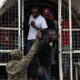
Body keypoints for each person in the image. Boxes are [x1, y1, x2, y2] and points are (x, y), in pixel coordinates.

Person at [27, 7, 48, 80]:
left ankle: (36, 76)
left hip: (36, 39)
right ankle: (31, 75)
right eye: (32, 13)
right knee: (29, 57)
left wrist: (34, 26)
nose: (34, 14)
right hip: (29, 39)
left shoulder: (41, 19)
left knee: (36, 58)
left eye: (35, 13)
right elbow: (29, 26)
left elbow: (45, 30)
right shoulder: (31, 16)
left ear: (38, 12)